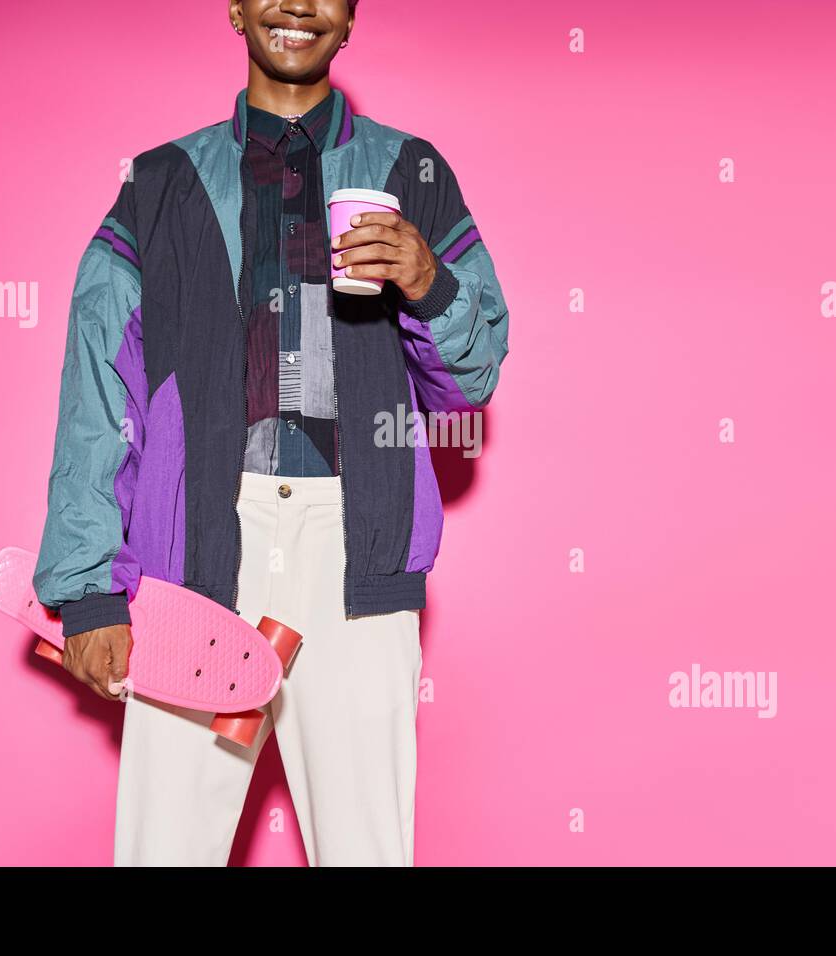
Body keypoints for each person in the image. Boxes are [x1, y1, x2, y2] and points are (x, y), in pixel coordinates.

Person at [31, 0, 508, 866]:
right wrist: (90, 590)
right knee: (161, 851)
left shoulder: (415, 171)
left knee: (367, 850)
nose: (297, 5)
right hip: (195, 553)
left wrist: (429, 281)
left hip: (359, 547)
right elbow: (99, 384)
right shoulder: (158, 183)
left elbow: (469, 386)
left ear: (354, 16)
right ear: (236, 7)